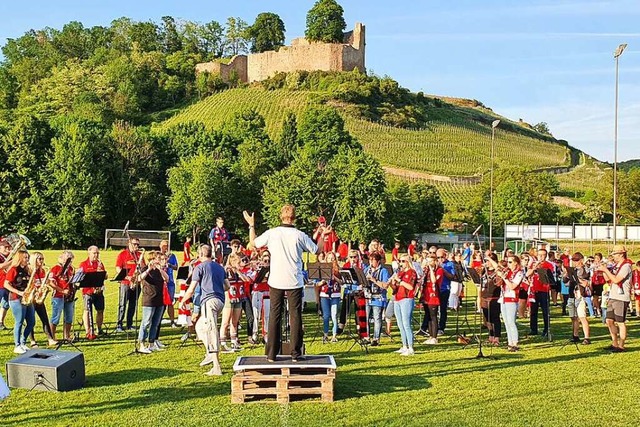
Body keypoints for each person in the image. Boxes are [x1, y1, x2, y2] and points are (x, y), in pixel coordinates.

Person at [244, 204, 327, 362]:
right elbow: (317, 250)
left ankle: (271, 354)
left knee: (275, 315)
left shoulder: (272, 233)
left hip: (276, 279)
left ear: (280, 216)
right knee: (295, 316)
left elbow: (253, 243)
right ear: (294, 217)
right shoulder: (299, 235)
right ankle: (296, 353)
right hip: (294, 280)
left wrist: (251, 225)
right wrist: (323, 234)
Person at [181, 245, 229, 376]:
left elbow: (191, 289)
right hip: (220, 301)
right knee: (200, 327)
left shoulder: (200, 267)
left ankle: (216, 366)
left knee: (211, 330)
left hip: (209, 301)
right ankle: (210, 352)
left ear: (201, 254)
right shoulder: (220, 267)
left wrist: (182, 301)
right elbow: (227, 286)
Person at [598, 245, 633, 352]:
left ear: (621, 254)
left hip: (621, 297)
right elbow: (608, 279)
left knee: (620, 321)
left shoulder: (626, 266)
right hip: (613, 295)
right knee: (609, 320)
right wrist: (603, 270)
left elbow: (617, 280)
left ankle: (621, 346)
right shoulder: (617, 265)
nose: (614, 256)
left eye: (615, 254)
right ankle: (614, 343)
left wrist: (606, 270)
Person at [137, 251, 170, 353]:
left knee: (155, 323)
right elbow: (139, 278)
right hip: (149, 299)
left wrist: (160, 270)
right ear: (152, 259)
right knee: (146, 322)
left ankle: (151, 343)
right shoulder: (145, 269)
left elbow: (167, 279)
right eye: (158, 259)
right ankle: (142, 344)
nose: (160, 261)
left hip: (159, 299)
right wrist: (148, 269)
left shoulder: (159, 271)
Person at [4, 250, 35, 354]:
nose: (27, 259)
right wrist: (19, 292)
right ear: (20, 258)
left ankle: (23, 342)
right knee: (19, 322)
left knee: (31, 322)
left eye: (27, 257)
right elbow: (6, 284)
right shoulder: (13, 269)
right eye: (25, 257)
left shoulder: (26, 270)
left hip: (27, 298)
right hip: (16, 298)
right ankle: (17, 345)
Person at [388, 255, 417, 355]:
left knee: (406, 324)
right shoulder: (400, 273)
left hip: (407, 299)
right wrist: (392, 282)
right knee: (400, 324)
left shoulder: (412, 273)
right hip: (397, 298)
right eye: (400, 261)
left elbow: (410, 287)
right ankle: (404, 346)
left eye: (403, 261)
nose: (401, 263)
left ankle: (411, 347)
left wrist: (400, 281)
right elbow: (395, 287)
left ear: (408, 262)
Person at [77, 246, 107, 339]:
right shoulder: (83, 264)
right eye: (94, 253)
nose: (96, 255)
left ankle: (99, 329)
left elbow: (105, 276)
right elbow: (81, 278)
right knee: (87, 311)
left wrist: (102, 273)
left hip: (99, 291)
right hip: (88, 292)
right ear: (89, 253)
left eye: (97, 253)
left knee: (100, 310)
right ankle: (88, 331)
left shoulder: (100, 264)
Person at [28, 252, 57, 347]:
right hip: (31, 298)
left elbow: (44, 281)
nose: (41, 261)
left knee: (44, 318)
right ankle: (32, 341)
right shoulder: (29, 270)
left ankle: (50, 338)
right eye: (39, 259)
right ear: (33, 260)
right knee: (31, 320)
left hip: (39, 298)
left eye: (42, 259)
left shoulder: (43, 271)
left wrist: (49, 282)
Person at [562, 252, 591, 345]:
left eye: (576, 260)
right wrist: (566, 274)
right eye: (573, 260)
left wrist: (576, 277)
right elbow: (565, 281)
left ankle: (587, 337)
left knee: (582, 316)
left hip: (580, 295)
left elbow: (585, 282)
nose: (575, 262)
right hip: (571, 295)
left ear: (581, 260)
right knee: (573, 317)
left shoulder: (585, 269)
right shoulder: (572, 269)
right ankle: (575, 335)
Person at [115, 238, 142, 332]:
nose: (137, 246)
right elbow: (118, 268)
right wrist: (128, 277)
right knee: (122, 304)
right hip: (126, 283)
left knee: (133, 304)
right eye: (135, 244)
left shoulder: (139, 255)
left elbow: (143, 268)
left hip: (136, 283)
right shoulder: (122, 254)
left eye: (138, 245)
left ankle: (129, 324)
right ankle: (119, 324)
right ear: (129, 244)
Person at [526, 248, 555, 338]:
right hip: (534, 290)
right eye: (539, 255)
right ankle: (533, 329)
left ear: (546, 256)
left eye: (543, 255)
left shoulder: (549, 264)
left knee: (545, 311)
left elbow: (550, 275)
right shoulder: (533, 264)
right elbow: (527, 274)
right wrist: (534, 267)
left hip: (544, 290)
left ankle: (546, 329)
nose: (541, 256)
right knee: (533, 311)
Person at [49, 251, 75, 342]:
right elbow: (51, 282)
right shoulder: (55, 268)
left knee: (69, 316)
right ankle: (52, 337)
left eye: (71, 260)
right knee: (56, 316)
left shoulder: (71, 269)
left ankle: (66, 336)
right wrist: (61, 290)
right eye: (67, 259)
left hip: (69, 296)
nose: (69, 262)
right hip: (58, 295)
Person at [364, 252, 389, 346]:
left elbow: (385, 285)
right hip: (368, 296)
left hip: (378, 297)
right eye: (369, 260)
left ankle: (376, 338)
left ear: (378, 261)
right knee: (365, 318)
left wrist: (373, 279)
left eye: (372, 260)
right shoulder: (367, 269)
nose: (370, 262)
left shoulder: (383, 271)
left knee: (377, 318)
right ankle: (367, 336)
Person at [318, 252, 342, 344]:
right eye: (329, 258)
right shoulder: (322, 269)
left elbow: (342, 282)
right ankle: (325, 334)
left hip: (335, 294)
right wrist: (323, 281)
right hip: (324, 294)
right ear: (326, 259)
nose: (331, 260)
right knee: (326, 316)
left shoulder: (338, 270)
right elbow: (317, 284)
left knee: (334, 315)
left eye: (333, 259)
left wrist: (334, 277)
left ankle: (334, 335)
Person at [421, 254, 442, 345]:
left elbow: (434, 281)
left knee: (433, 316)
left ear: (435, 261)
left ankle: (434, 337)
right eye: (428, 261)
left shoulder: (439, 270)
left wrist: (430, 268)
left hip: (434, 296)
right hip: (426, 295)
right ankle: (430, 335)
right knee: (428, 316)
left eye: (431, 261)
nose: (429, 263)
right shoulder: (426, 271)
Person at [159, 240, 179, 327]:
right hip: (160, 282)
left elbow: (176, 267)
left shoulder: (172, 256)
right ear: (160, 246)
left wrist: (169, 264)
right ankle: (158, 319)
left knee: (170, 302)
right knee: (160, 302)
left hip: (170, 282)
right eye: (163, 246)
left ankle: (172, 321)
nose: (165, 247)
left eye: (167, 245)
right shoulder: (157, 255)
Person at [436, 248, 455, 335]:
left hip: (444, 289)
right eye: (438, 257)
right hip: (435, 289)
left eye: (441, 257)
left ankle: (441, 327)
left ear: (445, 256)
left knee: (443, 309)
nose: (440, 259)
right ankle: (433, 327)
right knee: (433, 310)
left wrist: (442, 270)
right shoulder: (435, 263)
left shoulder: (450, 264)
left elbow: (452, 277)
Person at [0, 238, 12, 330]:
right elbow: (1, 266)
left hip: (7, 283)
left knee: (5, 304)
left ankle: (1, 322)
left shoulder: (10, 256)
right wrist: (14, 260)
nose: (8, 249)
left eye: (9, 247)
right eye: (5, 247)